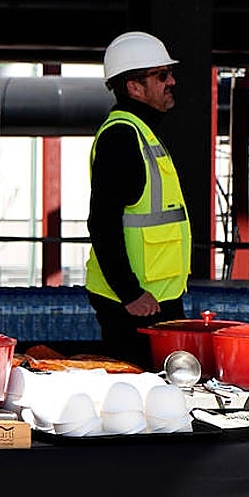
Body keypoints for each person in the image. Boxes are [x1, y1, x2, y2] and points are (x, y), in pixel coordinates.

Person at [85, 31, 191, 370]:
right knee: (143, 400)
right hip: (135, 304)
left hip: (153, 300)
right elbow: (103, 222)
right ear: (133, 86)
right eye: (161, 75)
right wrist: (130, 293)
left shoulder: (140, 132)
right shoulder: (122, 137)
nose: (172, 81)